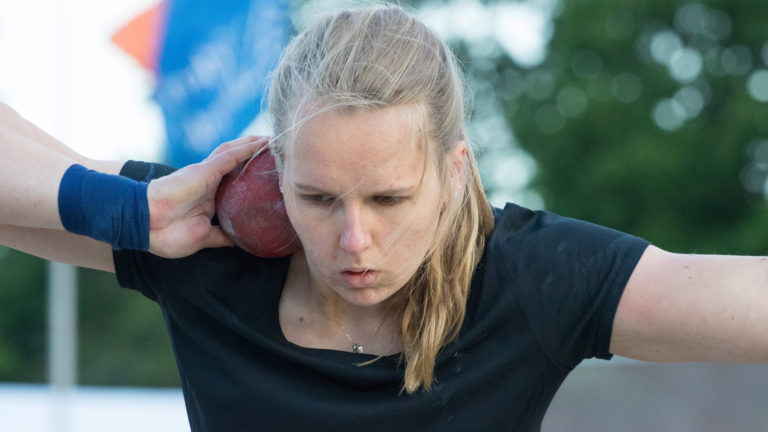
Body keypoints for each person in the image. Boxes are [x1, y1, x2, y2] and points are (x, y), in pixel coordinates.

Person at [0, 3, 766, 431]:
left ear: (453, 171)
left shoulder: (528, 277)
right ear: (273, 172)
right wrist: (133, 211)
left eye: (390, 199)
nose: (353, 240)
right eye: (318, 198)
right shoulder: (205, 239)